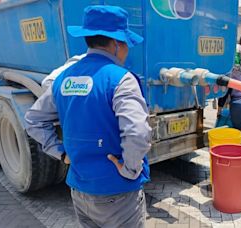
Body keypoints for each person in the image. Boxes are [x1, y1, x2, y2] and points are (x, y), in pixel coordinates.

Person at [25, 6, 151, 228]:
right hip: (117, 193)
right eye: (126, 44)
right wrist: (130, 170)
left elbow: (33, 120)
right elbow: (138, 132)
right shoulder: (121, 79)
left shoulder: (63, 78)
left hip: (80, 190)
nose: (127, 51)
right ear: (116, 44)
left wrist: (61, 153)